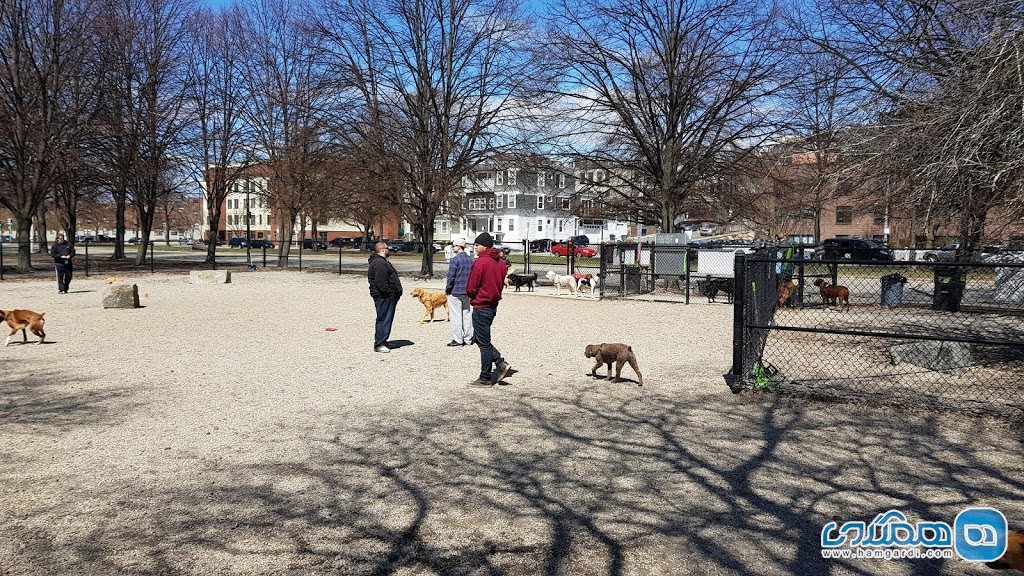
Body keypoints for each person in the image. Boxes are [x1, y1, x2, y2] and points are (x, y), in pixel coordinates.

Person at [465, 232, 512, 387]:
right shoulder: (500, 262)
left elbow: (471, 286)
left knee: (483, 343)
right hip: (492, 305)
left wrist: (473, 294)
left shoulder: (481, 262)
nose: (475, 248)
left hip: (481, 305)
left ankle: (485, 376)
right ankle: (499, 362)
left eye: (477, 245)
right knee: (480, 338)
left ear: (484, 246)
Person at [367, 241, 402, 353]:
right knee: (383, 319)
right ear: (382, 249)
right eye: (387, 248)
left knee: (387, 318)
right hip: (384, 297)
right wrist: (389, 293)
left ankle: (383, 340)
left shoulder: (382, 262)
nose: (389, 250)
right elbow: (381, 282)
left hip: (388, 296)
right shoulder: (379, 263)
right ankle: (379, 343)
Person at [444, 238, 474, 347]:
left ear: (458, 247)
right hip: (467, 292)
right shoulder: (471, 260)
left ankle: (458, 339)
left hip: (456, 291)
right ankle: (468, 338)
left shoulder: (455, 260)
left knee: (456, 316)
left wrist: (448, 289)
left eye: (454, 246)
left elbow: (451, 277)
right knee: (467, 314)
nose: (453, 248)